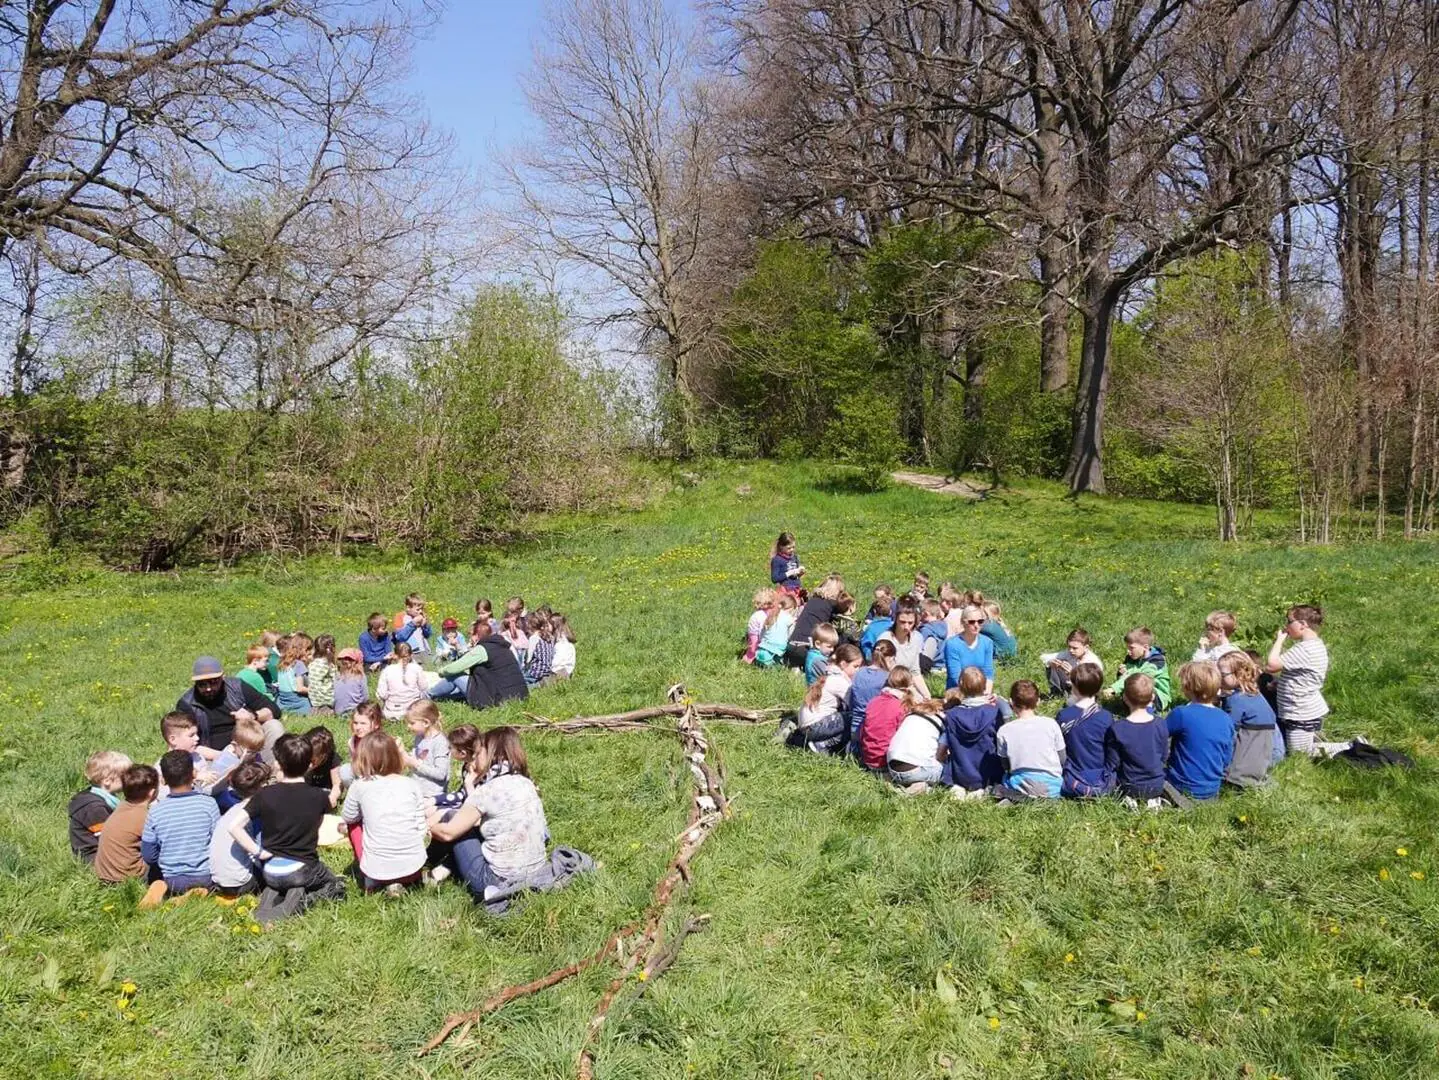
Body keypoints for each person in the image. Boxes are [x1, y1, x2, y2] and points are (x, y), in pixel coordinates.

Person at [225, 733, 347, 917]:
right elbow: (319, 821)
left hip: (270, 871)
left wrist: (259, 852)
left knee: (281, 883)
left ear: (278, 764)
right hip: (303, 868)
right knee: (336, 885)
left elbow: (233, 827)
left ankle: (272, 896)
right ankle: (301, 903)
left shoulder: (264, 794)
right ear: (309, 765)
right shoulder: (320, 796)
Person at [426, 726, 550, 902]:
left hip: (494, 882)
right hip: (536, 871)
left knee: (453, 818)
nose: (476, 755)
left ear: (493, 754)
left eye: (480, 751)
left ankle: (423, 862)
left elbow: (448, 833)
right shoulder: (525, 782)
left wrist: (425, 827)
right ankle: (439, 869)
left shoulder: (487, 791)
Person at [341, 731, 429, 894]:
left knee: (352, 824)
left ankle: (371, 882)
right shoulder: (411, 784)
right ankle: (403, 882)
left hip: (377, 870)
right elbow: (421, 827)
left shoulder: (360, 785)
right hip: (414, 865)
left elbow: (348, 816)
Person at [139, 750, 220, 907]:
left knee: (157, 877)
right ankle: (196, 893)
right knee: (213, 887)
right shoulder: (208, 804)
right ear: (193, 774)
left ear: (163, 780)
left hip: (171, 877)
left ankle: (162, 888)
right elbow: (217, 842)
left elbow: (148, 854)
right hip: (203, 874)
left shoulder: (155, 810)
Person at [175, 655, 281, 751]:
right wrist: (224, 757)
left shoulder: (237, 687)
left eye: (213, 682)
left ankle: (274, 770)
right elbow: (183, 742)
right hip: (212, 757)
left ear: (223, 677)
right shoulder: (186, 704)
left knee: (274, 726)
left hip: (249, 746)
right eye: (202, 684)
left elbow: (274, 710)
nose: (208, 688)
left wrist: (253, 716)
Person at [1164, 661, 1235, 800]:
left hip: (1181, 786)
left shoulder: (1181, 714)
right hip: (1212, 789)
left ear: (1188, 687)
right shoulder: (1226, 718)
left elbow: (1156, 736)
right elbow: (1226, 758)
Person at [1267, 604, 1329, 757]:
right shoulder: (1312, 646)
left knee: (1299, 754)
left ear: (1302, 624)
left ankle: (1350, 747)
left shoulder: (1305, 649)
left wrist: (1279, 641)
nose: (1286, 625)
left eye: (1289, 621)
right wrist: (1281, 683)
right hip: (1301, 708)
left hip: (1301, 712)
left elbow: (1271, 665)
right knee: (1299, 749)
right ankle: (1316, 739)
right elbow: (1300, 676)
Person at [209, 760, 272, 898]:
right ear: (263, 786)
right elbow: (262, 848)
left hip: (219, 881)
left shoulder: (234, 810)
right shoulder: (254, 814)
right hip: (241, 883)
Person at [939, 668, 1004, 798]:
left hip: (960, 772)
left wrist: (939, 760)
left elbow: (943, 746)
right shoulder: (994, 713)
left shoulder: (951, 715)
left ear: (960, 687)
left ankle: (959, 788)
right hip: (988, 772)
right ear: (985, 686)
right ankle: (982, 789)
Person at [995, 680, 1065, 799]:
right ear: (1038, 701)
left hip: (1019, 784)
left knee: (1004, 779)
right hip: (1052, 786)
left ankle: (1017, 797)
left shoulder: (1004, 730)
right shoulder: (1051, 724)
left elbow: (1005, 765)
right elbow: (1062, 757)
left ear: (1011, 702)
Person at [1219, 650, 1279, 786]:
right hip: (1259, 768)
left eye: (1222, 674)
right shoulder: (1257, 696)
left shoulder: (1235, 701)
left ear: (1239, 674)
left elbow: (1226, 735)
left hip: (1236, 775)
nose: (1218, 677)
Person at [1056, 663, 1116, 798]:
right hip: (1100, 774)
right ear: (1099, 688)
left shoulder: (1064, 715)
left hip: (1072, 774)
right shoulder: (1106, 717)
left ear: (1074, 688)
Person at [1110, 673, 1169, 809]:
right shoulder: (1161, 724)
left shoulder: (1118, 728)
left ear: (1124, 698)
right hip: (1157, 784)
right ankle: (1152, 800)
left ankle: (1130, 799)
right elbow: (1164, 755)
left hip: (1129, 785)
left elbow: (1114, 761)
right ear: (1153, 697)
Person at [438, 627, 530, 711]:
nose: (470, 639)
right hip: (520, 695)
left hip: (498, 700)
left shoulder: (482, 649)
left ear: (477, 635)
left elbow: (455, 668)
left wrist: (441, 671)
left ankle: (429, 694)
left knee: (455, 675)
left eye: (471, 635)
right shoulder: (504, 647)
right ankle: (444, 696)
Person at [95, 764, 159, 884]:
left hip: (105, 874)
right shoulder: (145, 816)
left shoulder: (122, 807)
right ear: (152, 793)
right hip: (127, 877)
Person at [793, 643, 862, 754]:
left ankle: (807, 741)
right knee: (854, 717)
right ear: (843, 664)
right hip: (813, 727)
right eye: (855, 666)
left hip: (806, 726)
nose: (858, 670)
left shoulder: (830, 673)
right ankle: (821, 745)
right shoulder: (840, 681)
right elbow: (854, 704)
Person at [69, 750, 132, 863]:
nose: (130, 779)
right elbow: (107, 840)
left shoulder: (105, 799)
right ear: (107, 781)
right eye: (126, 776)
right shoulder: (94, 809)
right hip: (94, 858)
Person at [858, 667, 920, 773]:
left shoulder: (874, 701)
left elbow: (862, 730)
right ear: (910, 685)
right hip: (886, 761)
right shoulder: (903, 707)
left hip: (868, 758)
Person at [885, 689, 946, 792]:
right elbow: (940, 755)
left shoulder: (911, 715)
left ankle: (901, 783)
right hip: (916, 771)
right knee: (948, 768)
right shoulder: (942, 720)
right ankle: (922, 786)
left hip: (892, 768)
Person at [845, 639, 896, 755]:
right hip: (874, 731)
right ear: (891, 658)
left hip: (855, 726)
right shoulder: (887, 678)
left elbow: (852, 699)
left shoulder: (859, 672)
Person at [785, 574, 846, 667]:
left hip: (791, 646)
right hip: (806, 647)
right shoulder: (831, 604)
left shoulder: (812, 600)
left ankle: (796, 667)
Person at [1106, 628, 1173, 711]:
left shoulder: (1157, 661)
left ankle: (1148, 713)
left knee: (1140, 686)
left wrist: (1114, 689)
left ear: (1145, 647)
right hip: (1138, 691)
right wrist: (1121, 674)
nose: (1128, 651)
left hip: (1157, 698)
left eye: (1131, 648)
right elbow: (1127, 677)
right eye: (1127, 647)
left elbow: (1138, 679)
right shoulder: (1132, 658)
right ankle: (1134, 709)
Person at [156, 712, 220, 795]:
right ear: (173, 740)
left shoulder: (197, 757)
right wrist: (194, 779)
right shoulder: (162, 768)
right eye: (191, 735)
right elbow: (165, 796)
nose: (197, 738)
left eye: (196, 734)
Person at [878, 598, 929, 697]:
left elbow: (915, 672)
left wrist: (927, 696)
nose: (906, 627)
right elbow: (882, 674)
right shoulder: (885, 639)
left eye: (910, 623)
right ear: (895, 619)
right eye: (902, 622)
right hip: (889, 689)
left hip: (909, 687)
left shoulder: (917, 638)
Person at [404, 700, 452, 800]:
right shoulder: (419, 737)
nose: (408, 726)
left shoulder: (440, 742)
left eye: (412, 723)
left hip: (432, 795)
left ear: (426, 722)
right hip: (416, 788)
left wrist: (416, 764)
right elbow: (417, 756)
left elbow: (441, 774)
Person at [943, 607, 996, 693]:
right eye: (971, 622)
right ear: (963, 622)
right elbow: (955, 676)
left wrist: (987, 694)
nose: (976, 625)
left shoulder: (987, 642)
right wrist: (972, 696)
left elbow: (988, 672)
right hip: (957, 691)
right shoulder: (952, 644)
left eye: (980, 621)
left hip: (981, 691)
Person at [1041, 628, 1103, 700]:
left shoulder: (1092, 662)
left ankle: (1070, 696)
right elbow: (1044, 657)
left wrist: (1073, 673)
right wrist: (1051, 663)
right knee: (1052, 664)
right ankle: (1057, 693)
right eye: (1069, 647)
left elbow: (1092, 684)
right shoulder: (1069, 654)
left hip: (1086, 693)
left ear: (1086, 647)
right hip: (1070, 685)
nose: (1071, 650)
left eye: (1075, 648)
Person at [206, 715, 266, 785]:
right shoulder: (226, 759)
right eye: (249, 752)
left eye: (257, 751)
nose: (253, 755)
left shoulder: (254, 755)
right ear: (234, 745)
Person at [340, 701, 385, 786]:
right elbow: (354, 761)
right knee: (345, 770)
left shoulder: (382, 743)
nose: (358, 727)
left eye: (363, 723)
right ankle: (357, 793)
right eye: (355, 723)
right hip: (361, 773)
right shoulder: (353, 741)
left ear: (376, 724)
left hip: (380, 778)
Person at [377, 642, 426, 720]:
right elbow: (424, 687)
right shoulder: (417, 668)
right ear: (411, 655)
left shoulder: (387, 670)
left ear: (395, 655)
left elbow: (382, 694)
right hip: (413, 711)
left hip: (391, 712)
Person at [754, 592, 797, 668]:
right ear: (791, 608)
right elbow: (791, 635)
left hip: (763, 646)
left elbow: (762, 632)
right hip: (777, 650)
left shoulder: (771, 614)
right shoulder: (789, 619)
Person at [274, 632, 313, 716]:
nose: (310, 652)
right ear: (301, 650)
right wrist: (314, 690)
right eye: (308, 650)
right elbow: (299, 689)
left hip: (283, 699)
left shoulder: (282, 661)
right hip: (295, 700)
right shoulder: (299, 664)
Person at [303, 726, 343, 807]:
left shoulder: (332, 759)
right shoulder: (301, 754)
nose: (309, 764)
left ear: (324, 756)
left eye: (312, 761)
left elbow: (337, 784)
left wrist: (333, 797)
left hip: (324, 790)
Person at [522, 612, 556, 686]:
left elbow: (528, 659)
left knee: (521, 681)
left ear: (529, 625)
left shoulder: (533, 638)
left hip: (536, 671)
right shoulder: (549, 636)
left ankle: (535, 685)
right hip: (547, 669)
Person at [858, 594, 895, 661]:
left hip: (877, 662)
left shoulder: (870, 628)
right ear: (890, 612)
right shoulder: (894, 627)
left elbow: (866, 647)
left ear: (874, 611)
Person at [394, 593, 431, 659]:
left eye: (422, 609)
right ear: (408, 608)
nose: (420, 611)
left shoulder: (422, 616)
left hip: (424, 650)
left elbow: (428, 635)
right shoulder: (400, 617)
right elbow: (400, 637)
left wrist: (425, 626)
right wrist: (413, 623)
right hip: (410, 652)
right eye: (418, 609)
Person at [917, 599, 949, 676]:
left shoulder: (927, 631)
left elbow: (926, 653)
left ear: (925, 614)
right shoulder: (942, 626)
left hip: (932, 667)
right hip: (943, 667)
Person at [333, 648, 368, 715]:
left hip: (338, 711)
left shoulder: (336, 675)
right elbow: (365, 697)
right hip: (354, 712)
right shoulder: (360, 676)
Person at [308, 634, 337, 714]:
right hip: (326, 699)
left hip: (314, 700)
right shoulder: (326, 664)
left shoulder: (313, 662)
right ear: (329, 649)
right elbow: (335, 680)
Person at [551, 614, 577, 679]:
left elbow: (557, 662)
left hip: (559, 673)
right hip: (562, 672)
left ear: (555, 627)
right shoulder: (562, 641)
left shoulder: (561, 643)